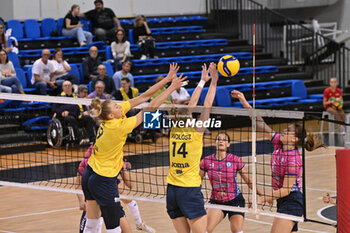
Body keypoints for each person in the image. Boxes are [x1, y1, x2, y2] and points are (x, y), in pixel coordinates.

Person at [81, 63, 185, 233]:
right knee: (113, 225)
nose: (119, 106)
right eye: (116, 106)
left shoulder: (113, 116)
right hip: (103, 178)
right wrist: (172, 88)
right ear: (110, 115)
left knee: (92, 222)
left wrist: (167, 79)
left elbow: (145, 96)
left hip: (90, 173)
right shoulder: (118, 127)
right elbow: (151, 108)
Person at [231, 90, 325, 233]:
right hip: (282, 200)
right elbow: (260, 123)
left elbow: (286, 189)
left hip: (292, 201)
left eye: (288, 131)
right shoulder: (278, 143)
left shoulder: (293, 159)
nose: (283, 131)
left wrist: (263, 198)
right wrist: (244, 101)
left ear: (294, 139)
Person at [166, 63, 217, 233]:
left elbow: (189, 106)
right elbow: (206, 104)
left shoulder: (173, 129)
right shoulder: (196, 132)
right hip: (188, 190)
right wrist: (212, 81)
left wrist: (204, 81)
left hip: (172, 190)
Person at [77, 145, 155, 233]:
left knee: (125, 199)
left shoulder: (115, 161)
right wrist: (81, 201)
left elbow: (130, 185)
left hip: (108, 195)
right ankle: (139, 223)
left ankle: (139, 223)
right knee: (93, 226)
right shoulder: (86, 164)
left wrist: (123, 168)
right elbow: (78, 184)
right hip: (94, 199)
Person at [200, 132, 263, 233]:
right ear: (215, 143)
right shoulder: (206, 161)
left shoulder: (235, 160)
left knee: (236, 230)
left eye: (224, 140)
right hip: (216, 201)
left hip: (235, 201)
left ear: (228, 144)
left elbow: (249, 181)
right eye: (218, 139)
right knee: (205, 230)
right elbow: (197, 181)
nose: (221, 141)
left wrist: (261, 195)